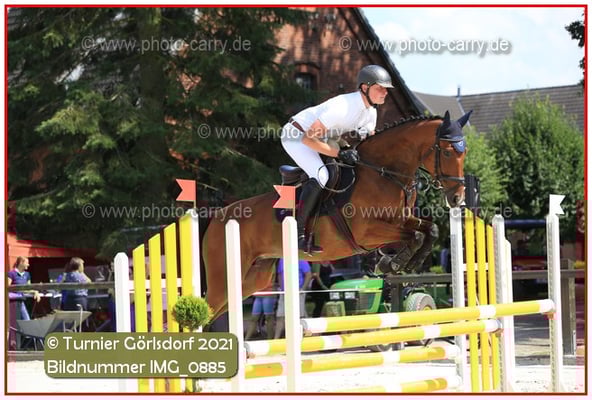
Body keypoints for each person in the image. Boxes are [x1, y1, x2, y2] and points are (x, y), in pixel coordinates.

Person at [281, 65, 394, 253]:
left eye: (386, 89)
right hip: (296, 135)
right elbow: (308, 139)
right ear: (365, 88)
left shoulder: (371, 112)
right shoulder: (342, 106)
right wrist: (340, 154)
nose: (385, 92)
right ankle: (298, 234)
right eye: (380, 88)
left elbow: (369, 144)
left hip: (325, 137)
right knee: (322, 176)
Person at [274, 258, 312, 339]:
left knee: (299, 316)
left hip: (297, 292)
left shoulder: (300, 258)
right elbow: (280, 274)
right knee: (280, 315)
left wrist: (302, 289)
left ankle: (301, 337)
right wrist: (282, 288)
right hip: (285, 292)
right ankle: (276, 339)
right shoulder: (282, 259)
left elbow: (308, 275)